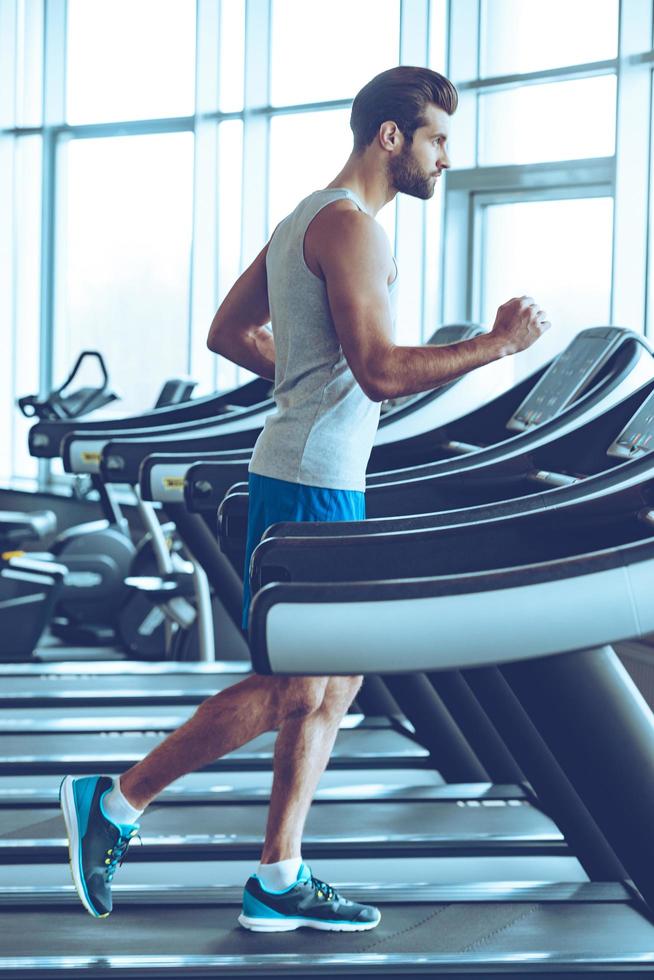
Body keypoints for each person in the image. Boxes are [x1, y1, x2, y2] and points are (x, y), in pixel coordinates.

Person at [59, 65, 550, 932]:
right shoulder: (354, 229)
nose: (445, 160)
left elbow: (229, 333)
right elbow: (384, 370)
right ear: (390, 137)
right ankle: (116, 799)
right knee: (294, 685)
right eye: (436, 139)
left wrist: (309, 383)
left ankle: (278, 875)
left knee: (333, 681)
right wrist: (499, 344)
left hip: (310, 472)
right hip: (312, 483)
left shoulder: (305, 216)